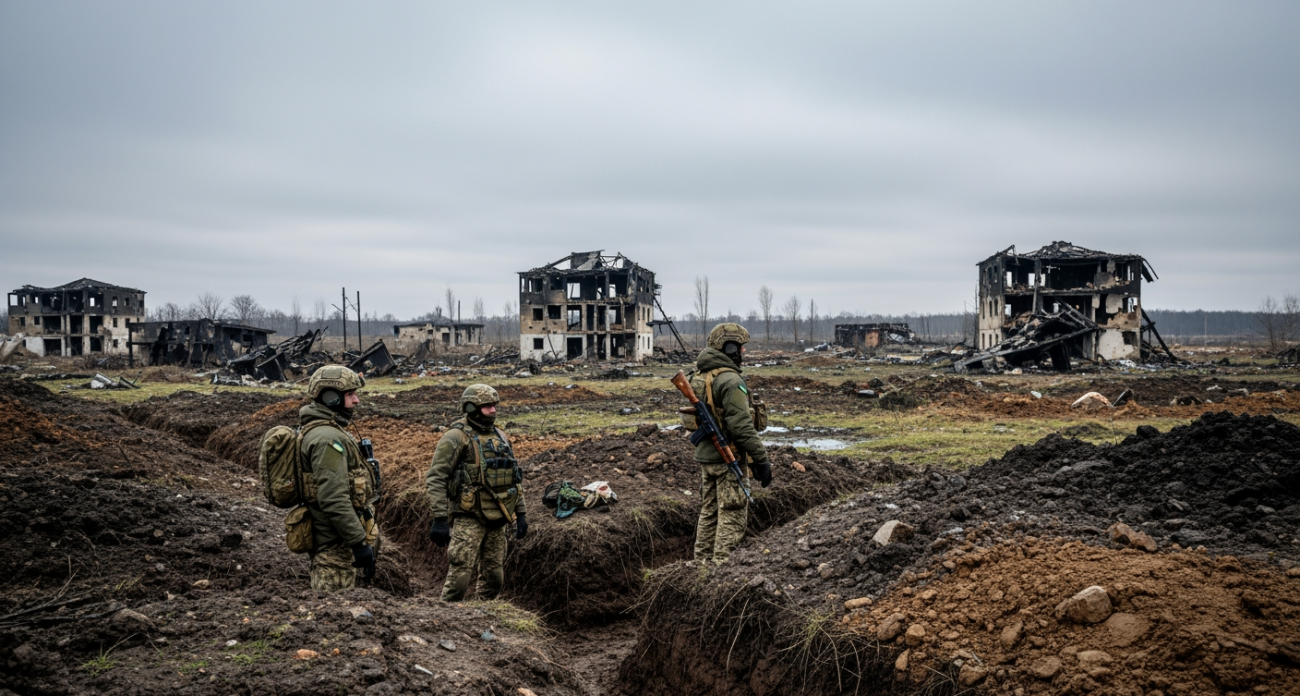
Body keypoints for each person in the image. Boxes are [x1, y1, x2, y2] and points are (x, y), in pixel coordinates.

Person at [424, 384, 527, 601]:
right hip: (468, 516)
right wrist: (440, 518)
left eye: (494, 406)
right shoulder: (456, 437)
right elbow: (436, 477)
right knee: (460, 576)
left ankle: (481, 616)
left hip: (499, 516)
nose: (493, 410)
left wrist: (521, 513)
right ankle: (447, 617)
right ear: (471, 408)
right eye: (487, 406)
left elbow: (513, 477)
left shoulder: (501, 436)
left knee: (494, 577)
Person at [690, 323, 772, 563]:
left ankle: (701, 567)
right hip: (728, 457)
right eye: (739, 347)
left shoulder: (701, 376)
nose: (742, 353)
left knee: (709, 513)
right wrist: (761, 459)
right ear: (729, 347)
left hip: (707, 457)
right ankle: (720, 572)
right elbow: (741, 426)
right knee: (732, 515)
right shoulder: (729, 380)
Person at [300, 365, 380, 592]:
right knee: (333, 614)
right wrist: (357, 542)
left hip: (335, 538)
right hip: (334, 545)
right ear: (331, 397)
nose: (356, 400)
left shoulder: (329, 430)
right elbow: (333, 497)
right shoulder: (327, 439)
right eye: (350, 394)